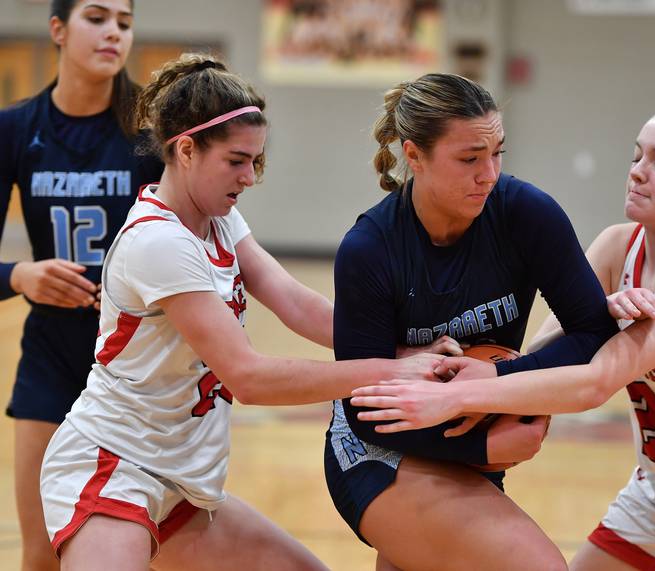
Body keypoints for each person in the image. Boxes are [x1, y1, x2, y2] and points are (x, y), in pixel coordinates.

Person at [38, 53, 443, 571]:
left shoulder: (219, 219)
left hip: (181, 483)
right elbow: (249, 378)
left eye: (256, 160)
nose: (250, 177)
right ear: (186, 149)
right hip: (115, 466)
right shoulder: (158, 242)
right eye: (236, 160)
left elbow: (295, 301)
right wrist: (391, 373)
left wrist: (404, 349)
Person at [351, 104, 655, 571]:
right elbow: (543, 359)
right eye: (637, 157)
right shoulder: (616, 247)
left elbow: (594, 383)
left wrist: (461, 395)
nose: (638, 173)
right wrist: (592, 317)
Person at [326, 72, 619, 571]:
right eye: (469, 159)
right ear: (413, 155)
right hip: (379, 450)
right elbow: (364, 408)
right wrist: (485, 441)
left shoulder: (527, 214)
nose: (489, 173)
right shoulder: (370, 249)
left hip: (468, 437)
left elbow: (593, 332)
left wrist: (498, 380)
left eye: (497, 153)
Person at [0, 2, 163, 568]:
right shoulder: (16, 128)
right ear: (58, 30)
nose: (113, 31)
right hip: (49, 354)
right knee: (42, 552)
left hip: (136, 363)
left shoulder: (151, 131)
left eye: (124, 20)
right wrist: (20, 274)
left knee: (142, 547)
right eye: (97, 17)